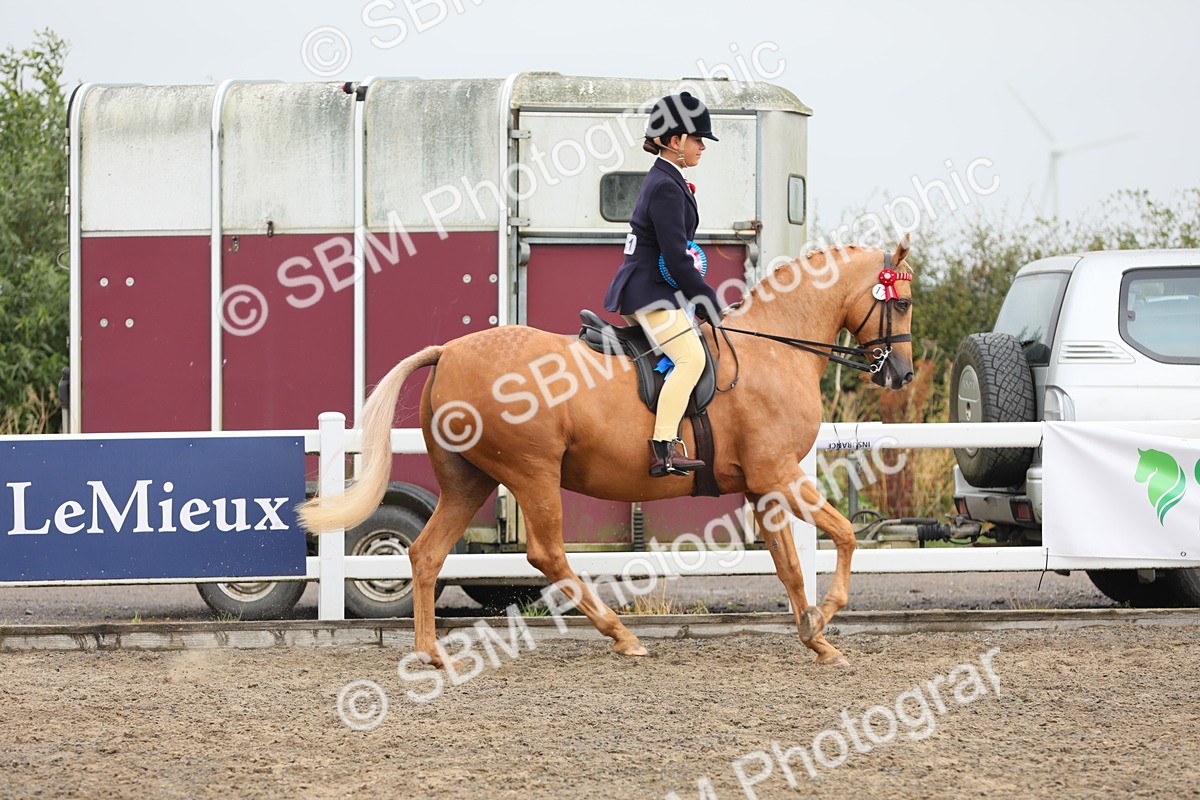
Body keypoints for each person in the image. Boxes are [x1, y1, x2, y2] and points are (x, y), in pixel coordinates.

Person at [603, 92, 723, 478]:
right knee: (692, 359)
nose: (702, 146)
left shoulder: (668, 180)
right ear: (674, 141)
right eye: (697, 139)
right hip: (650, 292)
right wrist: (706, 297)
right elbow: (675, 258)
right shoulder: (667, 186)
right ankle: (664, 449)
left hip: (652, 288)